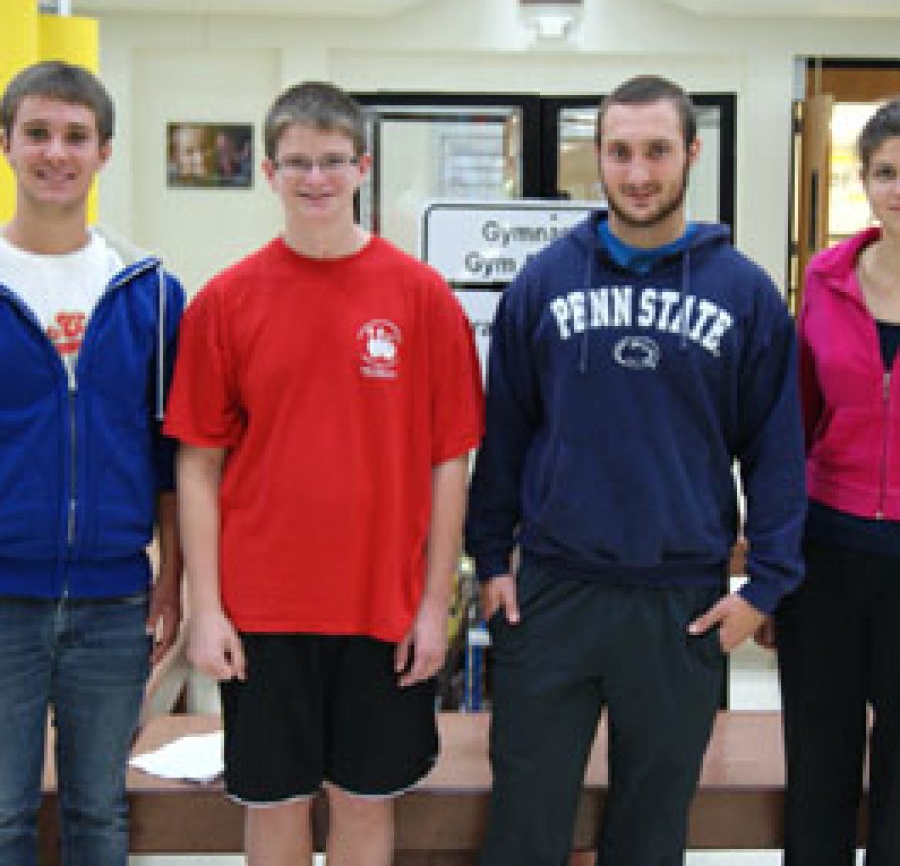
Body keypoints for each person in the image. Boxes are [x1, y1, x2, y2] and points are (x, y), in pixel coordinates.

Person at [465, 74, 807, 866]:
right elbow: (505, 434)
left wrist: (764, 588)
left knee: (652, 835)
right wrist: (489, 558)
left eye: (657, 150)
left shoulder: (745, 294)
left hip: (680, 603)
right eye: (619, 152)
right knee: (525, 827)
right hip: (552, 595)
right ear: (599, 160)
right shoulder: (544, 282)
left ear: (691, 153)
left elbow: (777, 453)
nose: (639, 172)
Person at [164, 80, 483, 866]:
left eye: (332, 161)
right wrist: (206, 608)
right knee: (273, 808)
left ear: (362, 166)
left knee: (364, 806)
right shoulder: (225, 302)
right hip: (264, 609)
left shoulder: (422, 298)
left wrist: (434, 602)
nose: (316, 179)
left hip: (383, 603)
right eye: (298, 163)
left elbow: (451, 462)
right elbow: (197, 465)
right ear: (269, 172)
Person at [0, 60, 184, 865]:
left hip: (115, 601)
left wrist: (174, 577)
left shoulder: (149, 291)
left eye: (76, 136)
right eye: (36, 133)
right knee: (3, 818)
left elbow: (173, 452)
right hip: (2, 596)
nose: (55, 152)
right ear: (5, 145)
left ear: (105, 151)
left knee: (99, 816)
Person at [773, 97, 900, 865]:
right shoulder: (825, 279)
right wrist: (774, 561)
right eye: (886, 172)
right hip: (827, 553)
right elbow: (792, 427)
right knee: (818, 764)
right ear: (866, 180)